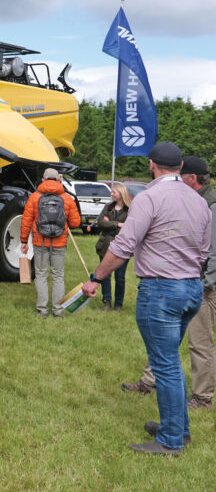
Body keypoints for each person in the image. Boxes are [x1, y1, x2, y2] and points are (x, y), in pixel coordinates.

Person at [82, 142, 210, 455]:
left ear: (152, 165)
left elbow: (123, 245)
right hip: (192, 288)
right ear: (181, 167)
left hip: (162, 290)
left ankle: (170, 442)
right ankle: (178, 429)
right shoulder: (198, 201)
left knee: (165, 366)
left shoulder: (149, 197)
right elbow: (205, 249)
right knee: (171, 364)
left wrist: (96, 278)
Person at [121, 155, 216, 410]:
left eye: (181, 177)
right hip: (184, 281)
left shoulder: (210, 205)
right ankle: (150, 381)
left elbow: (212, 251)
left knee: (200, 343)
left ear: (192, 178)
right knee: (165, 341)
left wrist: (205, 282)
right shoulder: (194, 200)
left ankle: (202, 397)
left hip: (201, 285)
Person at [20, 168, 80, 318]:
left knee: (41, 275)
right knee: (58, 276)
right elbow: (75, 223)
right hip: (59, 243)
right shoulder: (67, 198)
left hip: (40, 242)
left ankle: (42, 310)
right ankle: (58, 311)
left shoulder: (34, 197)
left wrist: (23, 240)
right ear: (59, 180)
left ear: (43, 180)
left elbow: (26, 221)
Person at [94, 183, 132, 310]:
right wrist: (117, 224)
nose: (111, 194)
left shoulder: (130, 210)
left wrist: (109, 223)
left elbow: (129, 228)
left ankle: (118, 305)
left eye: (114, 192)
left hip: (123, 247)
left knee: (120, 278)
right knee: (105, 276)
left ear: (121, 194)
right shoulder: (107, 207)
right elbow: (100, 223)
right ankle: (107, 302)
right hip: (105, 246)